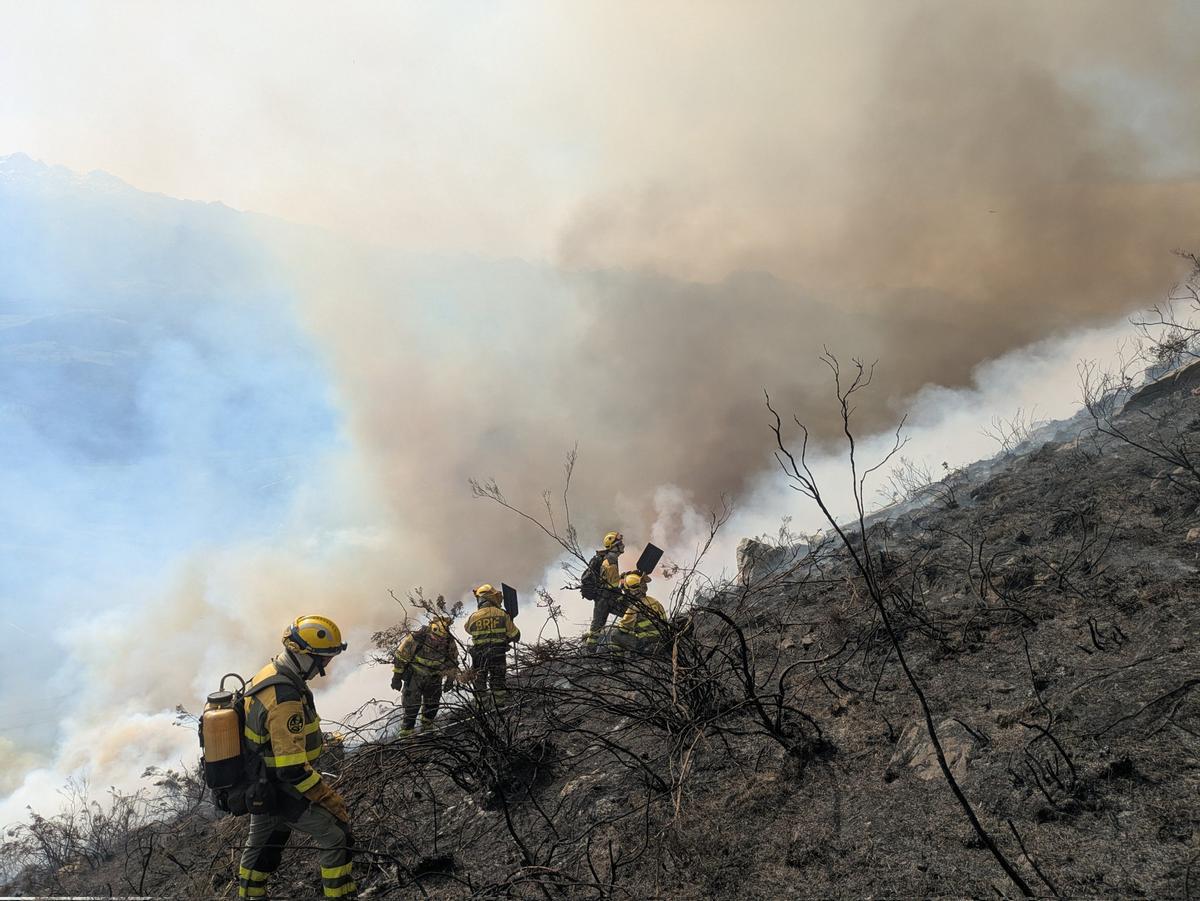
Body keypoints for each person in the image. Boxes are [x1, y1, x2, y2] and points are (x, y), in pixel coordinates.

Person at [237, 615, 356, 900]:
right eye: (323, 659)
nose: (324, 667)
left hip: (261, 781)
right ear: (304, 656)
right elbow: (292, 769)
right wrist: (326, 798)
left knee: (263, 843)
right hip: (280, 786)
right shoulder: (285, 697)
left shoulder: (269, 672)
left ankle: (250, 895)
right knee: (336, 836)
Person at [391, 616, 459, 738]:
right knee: (411, 708)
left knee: (432, 706)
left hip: (434, 678)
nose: (439, 641)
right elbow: (400, 657)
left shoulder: (449, 641)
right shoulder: (417, 638)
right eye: (436, 638)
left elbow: (453, 661)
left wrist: (450, 679)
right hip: (415, 677)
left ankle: (428, 732)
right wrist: (396, 678)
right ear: (432, 631)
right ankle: (406, 736)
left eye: (441, 639)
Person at [464, 584, 520, 703]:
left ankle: (482, 709)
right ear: (493, 598)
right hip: (498, 655)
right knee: (498, 681)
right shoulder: (502, 615)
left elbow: (468, 629)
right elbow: (516, 635)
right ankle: (499, 706)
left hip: (479, 656)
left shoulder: (473, 617)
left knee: (479, 682)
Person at [581, 531, 624, 651]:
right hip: (608, 598)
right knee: (631, 612)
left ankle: (590, 651)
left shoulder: (606, 557)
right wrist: (624, 585)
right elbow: (613, 585)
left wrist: (623, 577)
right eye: (620, 543)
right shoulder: (611, 560)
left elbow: (608, 579)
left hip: (601, 598)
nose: (623, 545)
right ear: (614, 546)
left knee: (596, 627)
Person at [611, 573, 666, 661]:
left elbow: (623, 628)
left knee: (615, 634)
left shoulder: (634, 607)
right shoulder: (655, 601)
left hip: (646, 643)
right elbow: (664, 621)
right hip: (662, 639)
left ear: (628, 591)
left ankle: (617, 662)